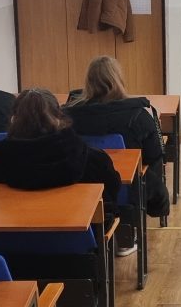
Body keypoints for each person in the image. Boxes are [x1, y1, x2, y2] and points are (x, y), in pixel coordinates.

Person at [0, 88, 121, 307]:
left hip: (10, 264)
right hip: (76, 262)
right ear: (59, 116)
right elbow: (112, 197)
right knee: (98, 231)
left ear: (13, 120)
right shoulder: (90, 159)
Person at [64, 55, 170, 222]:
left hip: (81, 188)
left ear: (88, 82)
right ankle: (150, 211)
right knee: (150, 162)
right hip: (126, 191)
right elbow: (154, 154)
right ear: (119, 79)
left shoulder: (67, 116)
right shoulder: (138, 115)